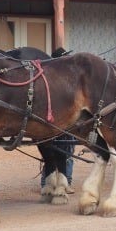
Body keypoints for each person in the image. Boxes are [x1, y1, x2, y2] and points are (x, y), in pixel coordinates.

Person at [42, 47, 75, 193]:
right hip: (58, 119)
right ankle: (52, 182)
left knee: (66, 151)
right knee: (58, 151)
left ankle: (65, 181)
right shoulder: (57, 77)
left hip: (65, 118)